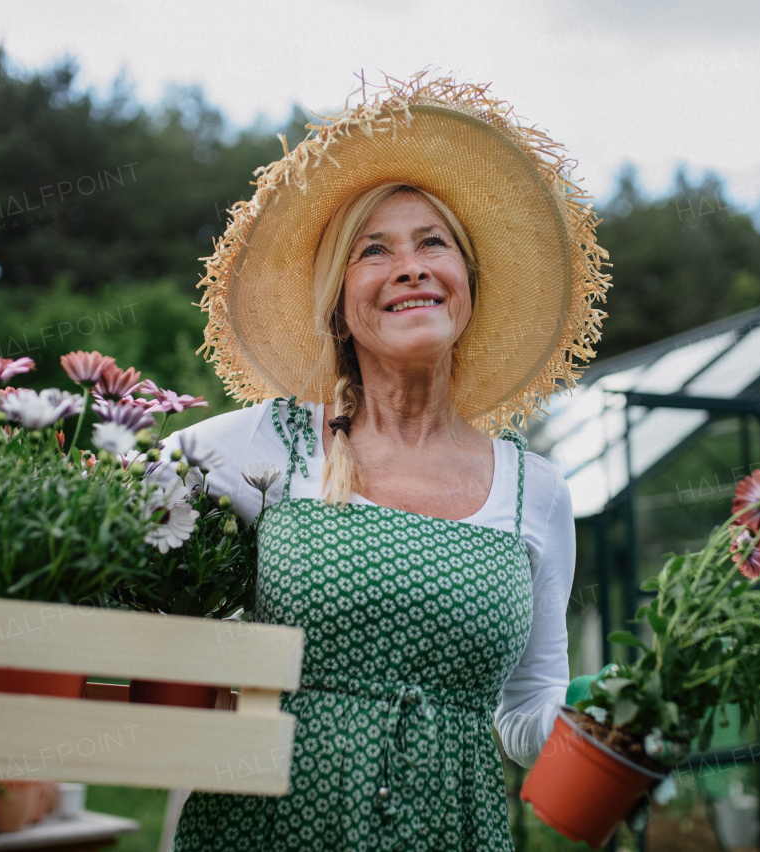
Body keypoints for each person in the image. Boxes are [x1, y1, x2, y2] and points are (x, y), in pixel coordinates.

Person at [161, 73, 610, 852]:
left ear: (467, 284)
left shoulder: (533, 492)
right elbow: (102, 511)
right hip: (263, 828)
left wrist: (604, 712)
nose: (410, 266)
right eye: (375, 251)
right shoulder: (268, 445)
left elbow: (524, 707)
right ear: (340, 305)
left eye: (433, 243)